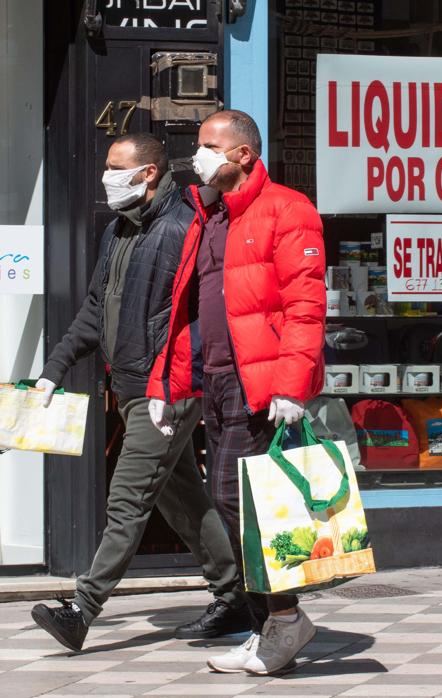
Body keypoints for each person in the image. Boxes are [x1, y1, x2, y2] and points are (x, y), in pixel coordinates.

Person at [29, 133, 252, 652]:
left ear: (148, 173)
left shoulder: (185, 229)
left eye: (115, 167)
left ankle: (82, 609)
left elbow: (204, 319)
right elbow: (93, 309)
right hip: (129, 389)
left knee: (128, 497)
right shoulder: (118, 230)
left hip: (168, 391)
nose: (106, 176)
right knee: (181, 500)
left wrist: (176, 383)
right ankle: (234, 593)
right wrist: (53, 369)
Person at [147, 110, 327, 675]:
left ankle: (285, 618)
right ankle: (270, 627)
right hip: (218, 381)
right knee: (237, 507)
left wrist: (292, 385)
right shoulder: (209, 215)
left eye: (207, 145)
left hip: (262, 385)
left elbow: (305, 305)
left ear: (243, 154)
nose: (196, 155)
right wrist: (167, 385)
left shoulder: (287, 209)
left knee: (241, 503)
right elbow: (185, 311)